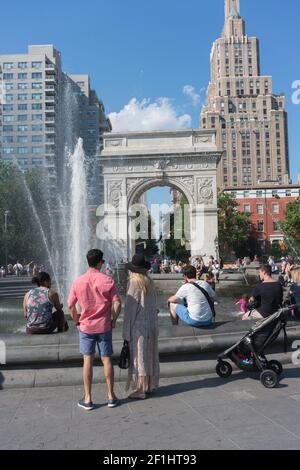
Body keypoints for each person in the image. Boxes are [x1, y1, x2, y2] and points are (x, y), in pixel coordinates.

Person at [68, 249, 121, 411]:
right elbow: (118, 303)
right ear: (100, 262)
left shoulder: (78, 281)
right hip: (104, 325)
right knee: (106, 359)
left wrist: (77, 320)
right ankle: (111, 396)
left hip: (86, 327)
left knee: (87, 360)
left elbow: (70, 305)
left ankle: (88, 399)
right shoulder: (108, 280)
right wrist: (113, 319)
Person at [123, 254, 160, 400]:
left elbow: (130, 310)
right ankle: (149, 385)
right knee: (150, 355)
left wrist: (126, 332)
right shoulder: (149, 282)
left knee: (139, 358)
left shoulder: (133, 282)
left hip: (139, 326)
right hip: (152, 324)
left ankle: (140, 389)